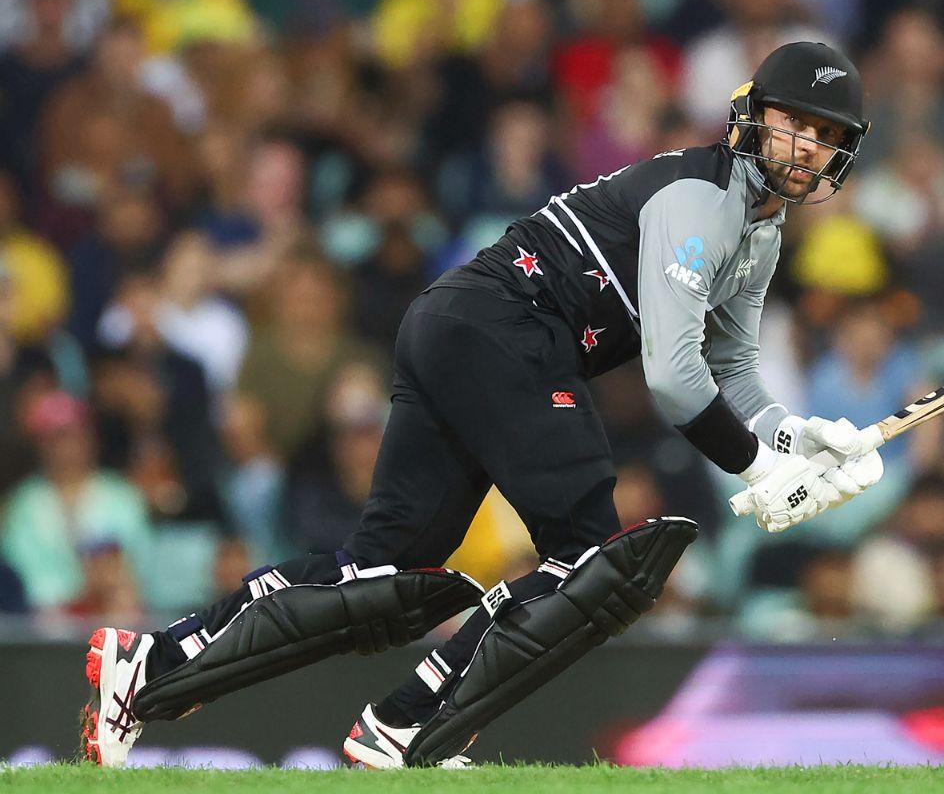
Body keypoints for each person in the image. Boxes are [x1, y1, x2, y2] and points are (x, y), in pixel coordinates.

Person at [81, 42, 884, 768]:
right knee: (593, 560)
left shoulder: (761, 229)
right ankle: (409, 724)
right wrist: (754, 464)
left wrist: (795, 439)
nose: (806, 146)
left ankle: (150, 665)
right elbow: (673, 377)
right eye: (793, 123)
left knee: (389, 575)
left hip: (463, 326)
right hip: (508, 328)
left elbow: (731, 364)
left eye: (824, 133)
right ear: (752, 116)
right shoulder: (703, 200)